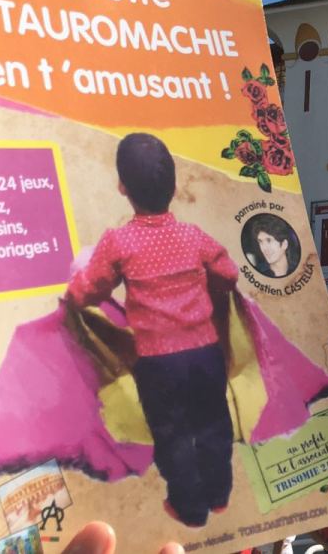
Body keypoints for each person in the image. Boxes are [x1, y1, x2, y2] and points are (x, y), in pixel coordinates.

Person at [66, 133, 237, 528]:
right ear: (175, 188)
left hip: (158, 361)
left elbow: (92, 289)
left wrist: (74, 292)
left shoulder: (119, 241)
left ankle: (190, 507)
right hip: (204, 352)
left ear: (122, 187)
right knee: (214, 422)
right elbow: (227, 274)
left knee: (172, 432)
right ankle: (219, 493)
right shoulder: (193, 236)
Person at [241, 212, 301, 278]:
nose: (264, 248)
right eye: (260, 241)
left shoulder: (300, 271)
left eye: (269, 240)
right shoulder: (255, 274)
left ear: (284, 244)